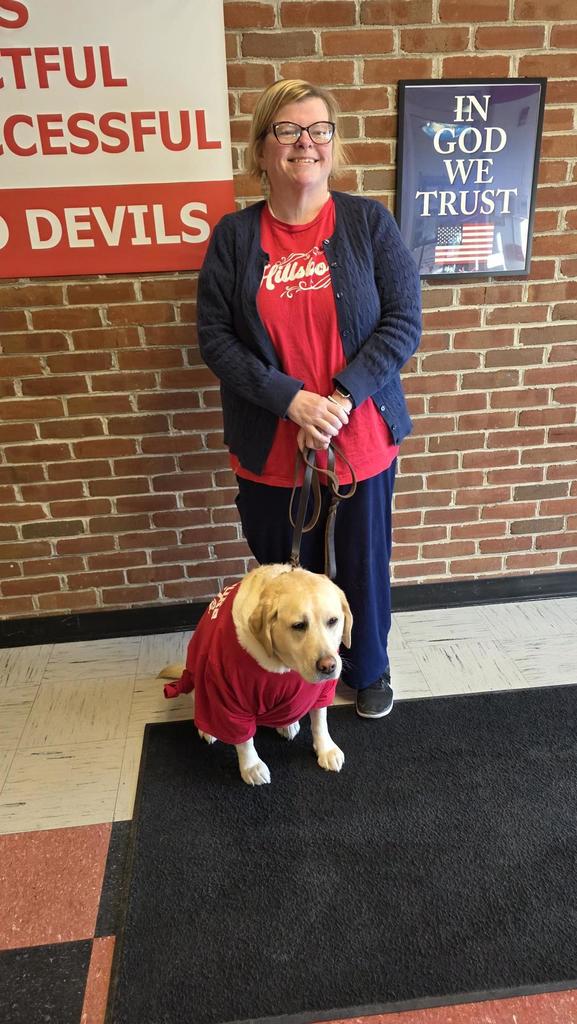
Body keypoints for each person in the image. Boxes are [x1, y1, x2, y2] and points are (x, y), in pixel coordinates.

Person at [197, 79, 421, 720]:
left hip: (360, 437)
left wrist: (341, 398)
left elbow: (403, 322)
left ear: (334, 143)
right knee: (284, 580)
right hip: (271, 442)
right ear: (262, 148)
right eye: (288, 131)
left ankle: (368, 667)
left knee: (361, 563)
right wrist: (291, 401)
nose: (305, 143)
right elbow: (215, 338)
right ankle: (289, 686)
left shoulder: (367, 222)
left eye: (318, 129)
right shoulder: (235, 238)